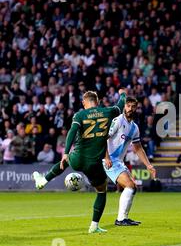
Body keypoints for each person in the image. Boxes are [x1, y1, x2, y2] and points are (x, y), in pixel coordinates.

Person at [33, 89, 127, 234]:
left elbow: (72, 131)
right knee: (101, 191)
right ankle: (94, 226)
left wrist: (65, 153)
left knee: (65, 162)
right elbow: (120, 105)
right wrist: (122, 93)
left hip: (78, 158)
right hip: (94, 162)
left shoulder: (80, 114)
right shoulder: (108, 111)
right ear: (98, 101)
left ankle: (43, 181)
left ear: (84, 102)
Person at [103, 97, 156, 226]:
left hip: (118, 161)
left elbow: (138, 148)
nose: (130, 109)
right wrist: (107, 157)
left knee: (133, 187)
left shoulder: (134, 128)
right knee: (130, 186)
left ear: (136, 108)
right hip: (108, 159)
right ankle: (121, 219)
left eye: (133, 106)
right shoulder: (118, 121)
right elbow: (103, 138)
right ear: (124, 107)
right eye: (128, 106)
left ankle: (123, 218)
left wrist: (148, 165)